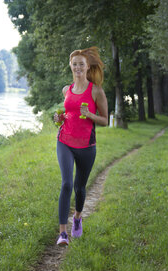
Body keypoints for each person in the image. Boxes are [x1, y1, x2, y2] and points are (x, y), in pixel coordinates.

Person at [54, 46, 108, 246]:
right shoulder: (65, 90)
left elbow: (104, 120)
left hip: (86, 146)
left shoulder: (96, 90)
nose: (77, 67)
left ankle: (77, 217)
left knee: (79, 187)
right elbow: (68, 115)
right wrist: (59, 118)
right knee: (67, 184)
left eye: (81, 64)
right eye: (74, 64)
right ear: (70, 66)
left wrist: (90, 114)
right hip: (65, 141)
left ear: (87, 67)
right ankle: (63, 233)